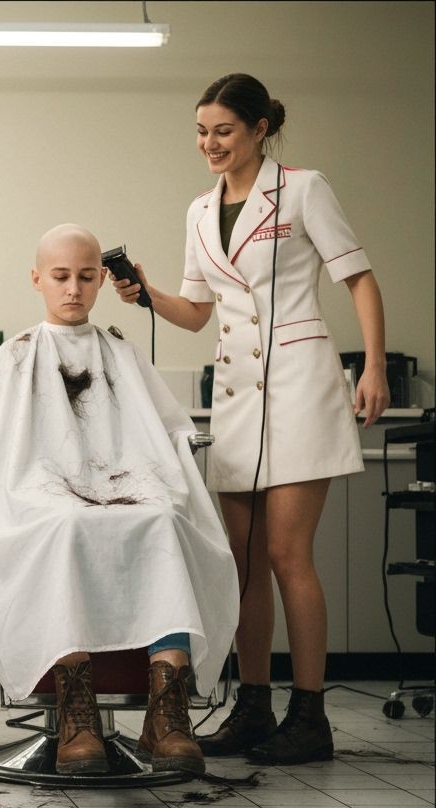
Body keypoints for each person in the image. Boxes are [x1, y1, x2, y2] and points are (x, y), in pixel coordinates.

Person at [109, 74, 389, 764]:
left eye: (223, 130)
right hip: (236, 392)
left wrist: (375, 367)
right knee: (240, 563)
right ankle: (255, 707)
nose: (209, 143)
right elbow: (200, 312)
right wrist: (147, 294)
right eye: (201, 131)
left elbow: (358, 276)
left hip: (299, 384)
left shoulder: (303, 188)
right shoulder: (200, 212)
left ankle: (311, 715)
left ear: (261, 128)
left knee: (288, 554)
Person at [0, 224, 239, 775]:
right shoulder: (15, 356)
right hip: (42, 491)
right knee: (62, 523)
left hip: (127, 484)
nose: (73, 289)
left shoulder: (121, 353)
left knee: (164, 520)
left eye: (85, 277)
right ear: (37, 279)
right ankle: (75, 711)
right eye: (60, 277)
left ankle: (166, 714)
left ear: (104, 279)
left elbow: (166, 427)